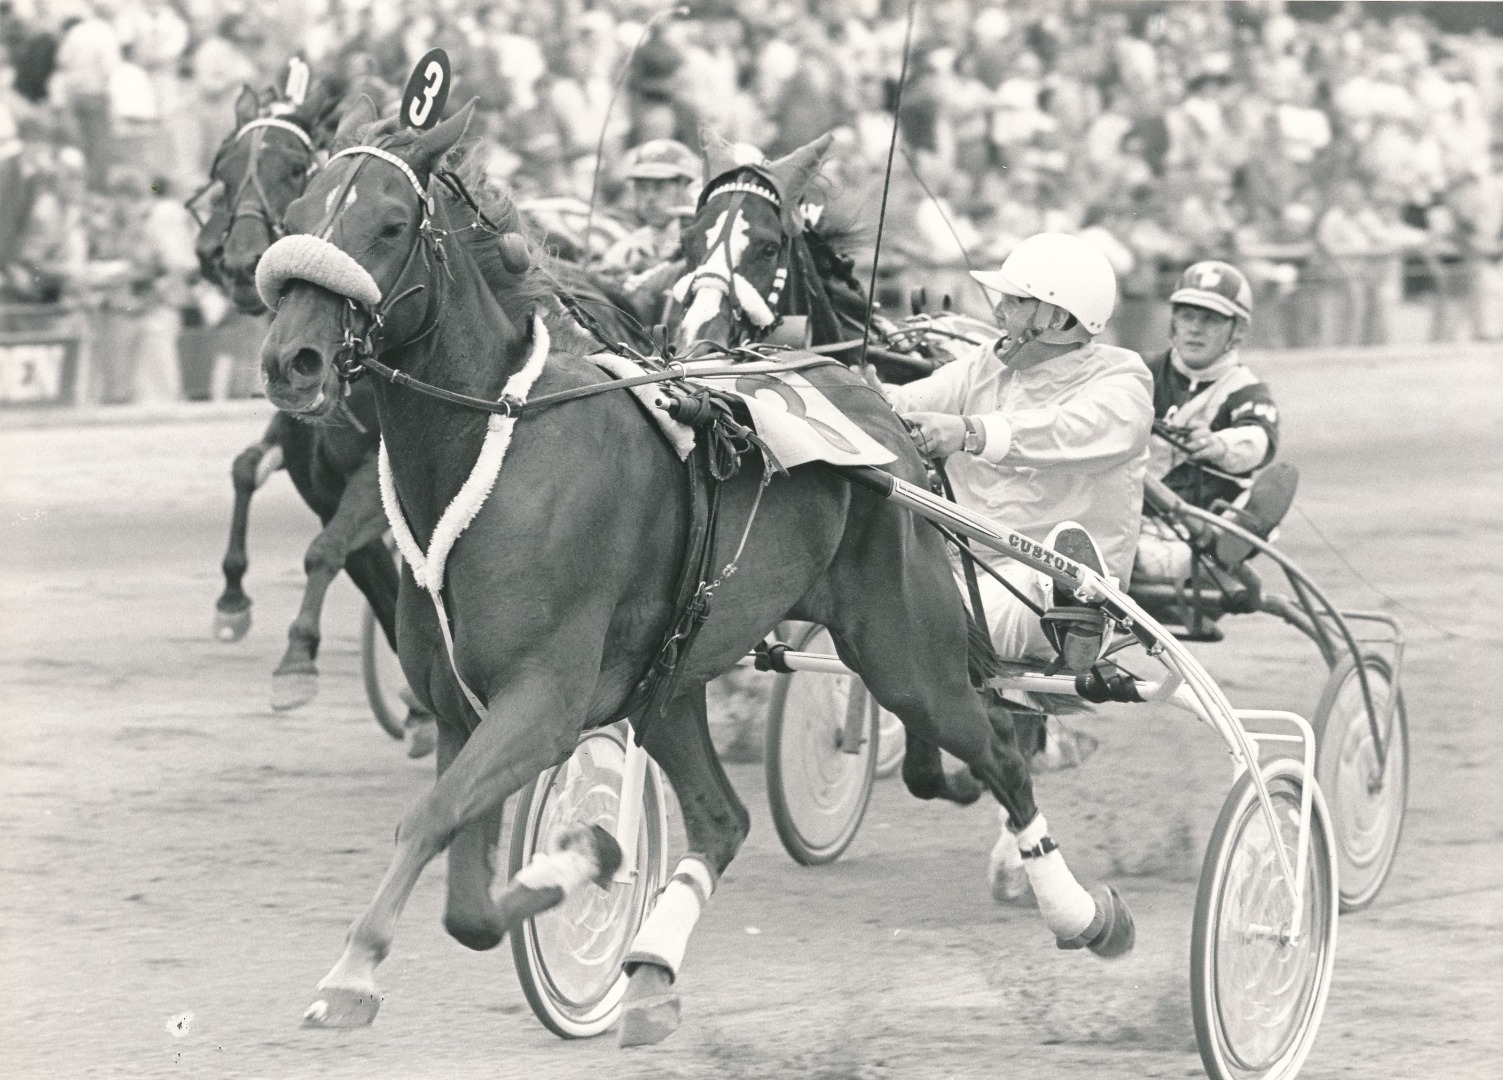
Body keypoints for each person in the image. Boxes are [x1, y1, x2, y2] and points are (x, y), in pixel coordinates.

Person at [887, 232, 1154, 902]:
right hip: (969, 567)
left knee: (988, 605)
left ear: (1058, 319)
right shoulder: (985, 366)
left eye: (1014, 300)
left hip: (1049, 576)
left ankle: (1077, 616)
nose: (998, 308)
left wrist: (970, 433)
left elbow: (1073, 431)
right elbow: (911, 401)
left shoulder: (1122, 381)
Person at [1133, 260, 1297, 585]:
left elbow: (1259, 439)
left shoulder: (1246, 389)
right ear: (1173, 322)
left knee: (1245, 513)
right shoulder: (1139, 372)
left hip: (1196, 532)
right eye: (1187, 316)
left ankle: (1228, 547)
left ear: (1237, 330)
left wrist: (1220, 445)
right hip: (1129, 519)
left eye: (1210, 320)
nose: (1195, 328)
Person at [598, 138, 701, 277]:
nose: (650, 197)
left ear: (685, 186)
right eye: (642, 188)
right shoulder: (624, 252)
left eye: (660, 186)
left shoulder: (706, 241)